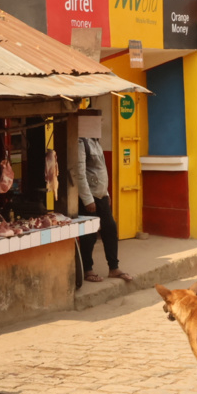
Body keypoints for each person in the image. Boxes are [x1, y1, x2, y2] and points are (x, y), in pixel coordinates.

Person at [71, 110, 128, 283]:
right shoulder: (81, 143)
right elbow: (80, 174)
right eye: (97, 121)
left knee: (110, 229)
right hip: (89, 199)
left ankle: (114, 267)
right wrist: (88, 200)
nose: (100, 124)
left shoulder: (95, 142)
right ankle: (88, 270)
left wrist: (107, 193)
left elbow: (101, 170)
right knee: (89, 235)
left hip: (101, 196)